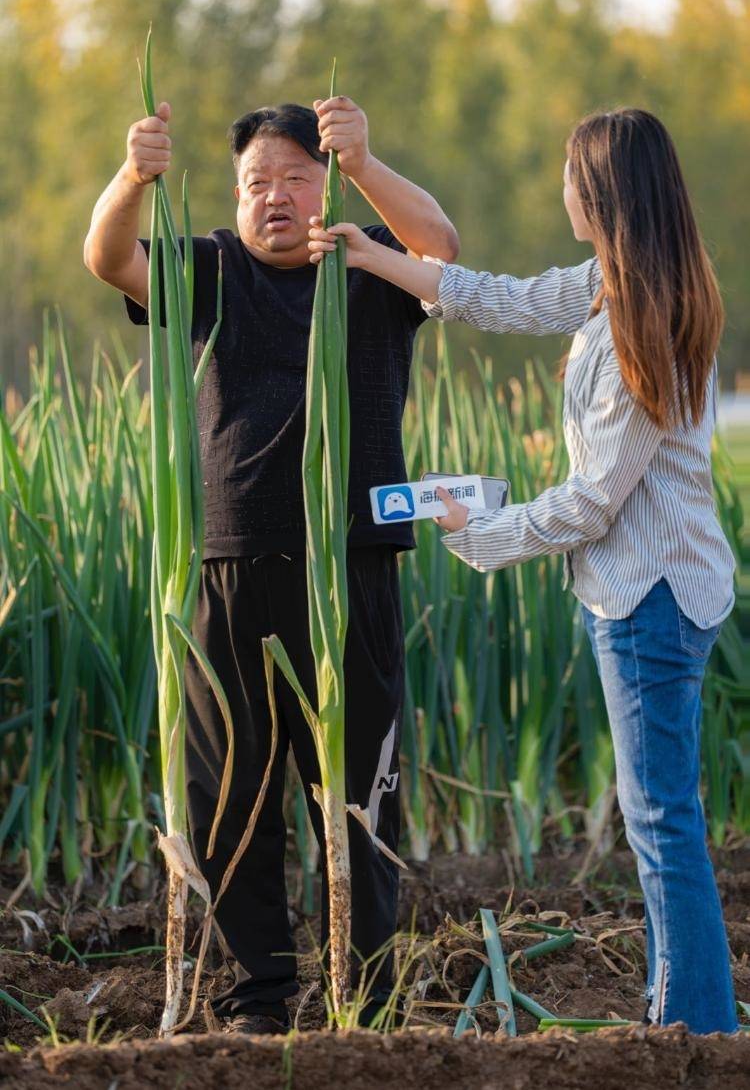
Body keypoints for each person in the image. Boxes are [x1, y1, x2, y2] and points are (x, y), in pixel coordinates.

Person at [308, 107, 738, 1035]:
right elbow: (499, 297)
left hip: (651, 595)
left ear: (607, 192)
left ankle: (700, 1028)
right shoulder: (608, 287)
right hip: (647, 587)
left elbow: (593, 502)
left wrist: (481, 528)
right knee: (659, 819)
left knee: (662, 823)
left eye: (571, 176)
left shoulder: (645, 322)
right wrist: (377, 258)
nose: (562, 190)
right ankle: (682, 1012)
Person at [84, 94, 459, 1034]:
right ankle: (261, 994)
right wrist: (134, 176)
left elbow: (444, 248)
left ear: (323, 183)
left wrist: (365, 161)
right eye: (259, 182)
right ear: (236, 194)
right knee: (232, 788)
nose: (277, 197)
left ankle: (362, 994)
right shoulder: (210, 268)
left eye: (297, 177)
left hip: (352, 562)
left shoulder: (363, 262)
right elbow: (107, 259)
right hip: (231, 564)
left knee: (357, 782)